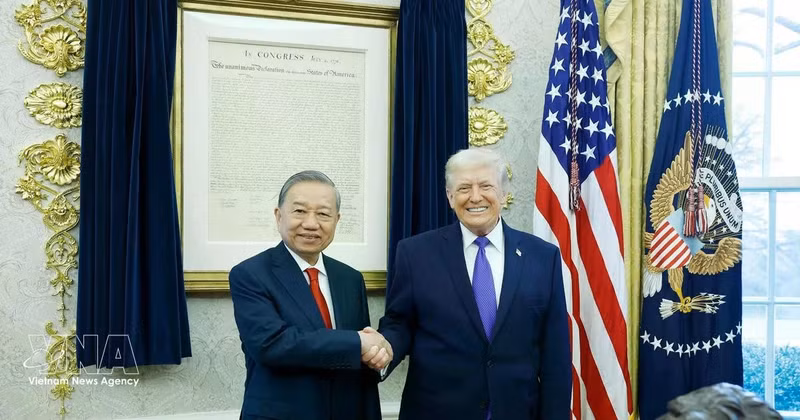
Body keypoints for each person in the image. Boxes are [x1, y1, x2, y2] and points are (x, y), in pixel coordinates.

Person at [377, 148, 572, 419]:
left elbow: (556, 354)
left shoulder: (542, 256)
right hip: (437, 412)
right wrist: (383, 346)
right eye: (464, 188)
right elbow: (399, 323)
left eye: (486, 186)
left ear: (504, 194)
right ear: (450, 196)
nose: (475, 197)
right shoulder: (415, 253)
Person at [230, 170, 392, 420]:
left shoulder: (350, 278)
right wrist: (359, 343)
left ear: (337, 220)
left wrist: (377, 356)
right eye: (300, 211)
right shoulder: (250, 274)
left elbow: (357, 356)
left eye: (323, 214)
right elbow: (272, 344)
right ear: (278, 215)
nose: (311, 223)